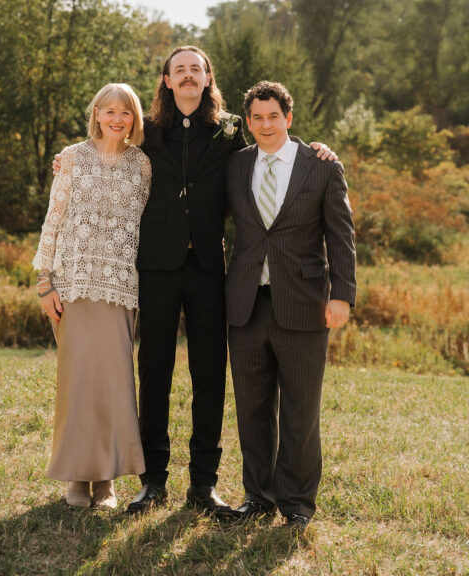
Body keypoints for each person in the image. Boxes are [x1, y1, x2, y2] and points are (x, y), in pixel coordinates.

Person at [54, 48, 335, 517]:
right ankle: (153, 482)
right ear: (166, 80)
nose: (187, 75)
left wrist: (316, 149)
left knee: (209, 377)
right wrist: (69, 159)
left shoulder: (228, 130)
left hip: (209, 268)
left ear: (207, 79)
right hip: (157, 268)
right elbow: (106, 146)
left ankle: (203, 486)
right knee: (155, 374)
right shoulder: (147, 131)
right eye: (179, 69)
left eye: (195, 69)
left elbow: (272, 144)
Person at [226, 81, 356, 529]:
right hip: (245, 305)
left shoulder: (320, 166)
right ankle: (257, 496)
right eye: (257, 118)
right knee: (252, 407)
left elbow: (341, 234)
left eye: (273, 116)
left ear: (288, 118)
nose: (266, 125)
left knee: (301, 409)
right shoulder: (236, 165)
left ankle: (297, 503)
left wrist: (342, 294)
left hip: (304, 303)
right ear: (248, 122)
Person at [34, 82, 151, 510]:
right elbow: (54, 220)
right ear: (96, 114)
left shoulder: (142, 165)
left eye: (125, 112)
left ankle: (106, 480)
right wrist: (45, 281)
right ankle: (77, 478)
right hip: (73, 285)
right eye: (109, 111)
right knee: (77, 383)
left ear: (134, 119)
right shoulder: (72, 159)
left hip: (121, 287)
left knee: (115, 383)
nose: (117, 119)